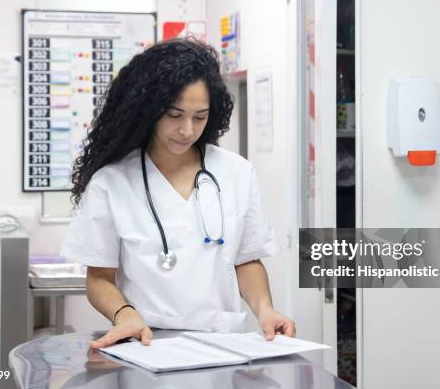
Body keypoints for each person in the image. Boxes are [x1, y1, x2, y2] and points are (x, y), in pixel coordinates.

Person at [60, 38, 295, 349]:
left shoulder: (236, 173)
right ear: (148, 111)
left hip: (223, 345)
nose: (187, 129)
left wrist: (264, 309)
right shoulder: (112, 182)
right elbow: (99, 277)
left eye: (200, 117)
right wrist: (123, 314)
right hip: (145, 341)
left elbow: (245, 259)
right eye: (174, 114)